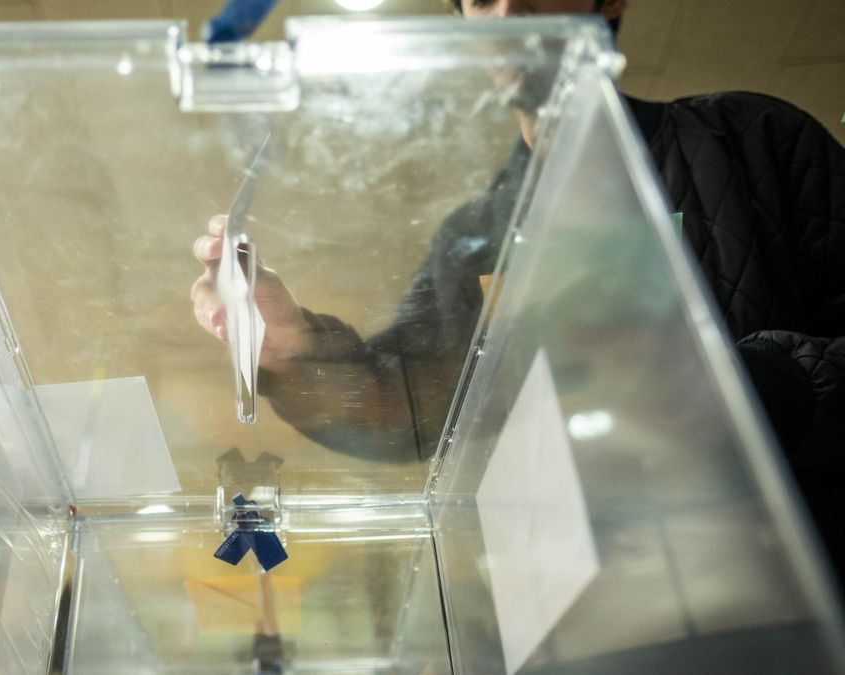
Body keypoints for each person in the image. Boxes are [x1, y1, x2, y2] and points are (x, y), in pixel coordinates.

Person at [190, 0, 845, 579]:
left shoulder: (753, 143)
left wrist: (762, 385)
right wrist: (295, 347)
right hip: (603, 617)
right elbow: (411, 409)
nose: (506, 13)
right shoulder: (472, 237)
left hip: (795, 586)